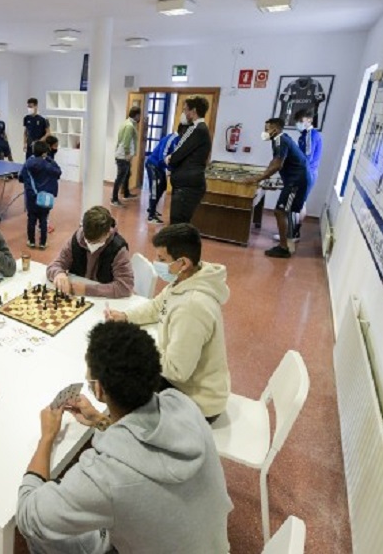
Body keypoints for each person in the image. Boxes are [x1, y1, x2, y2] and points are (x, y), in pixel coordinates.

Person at [16, 321, 233, 554]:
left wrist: (47, 438)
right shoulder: (183, 404)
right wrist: (101, 421)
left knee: (41, 535)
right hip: (215, 547)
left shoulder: (104, 476)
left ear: (98, 389)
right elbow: (148, 445)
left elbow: (28, 516)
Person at [104, 223, 230, 421]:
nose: (157, 263)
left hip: (197, 401)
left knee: (121, 379)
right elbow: (156, 307)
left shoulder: (192, 306)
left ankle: (122, 437)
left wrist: (139, 348)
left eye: (162, 259)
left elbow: (177, 370)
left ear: (183, 263)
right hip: (182, 381)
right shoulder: (186, 278)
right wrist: (126, 317)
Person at [246, 117, 309, 258]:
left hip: (296, 181)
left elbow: (277, 165)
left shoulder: (281, 140)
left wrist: (258, 178)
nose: (264, 132)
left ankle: (284, 247)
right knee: (282, 211)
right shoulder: (279, 139)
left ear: (274, 129)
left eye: (266, 129)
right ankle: (285, 243)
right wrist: (264, 176)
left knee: (280, 211)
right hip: (294, 179)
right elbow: (274, 161)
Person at [46, 205, 134, 298]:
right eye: (87, 240)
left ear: (108, 233)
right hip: (76, 298)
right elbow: (55, 265)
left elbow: (125, 287)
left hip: (104, 301)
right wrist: (59, 274)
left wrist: (88, 290)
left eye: (96, 242)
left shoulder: (118, 249)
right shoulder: (77, 238)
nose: (90, 245)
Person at [166, 96, 211, 224]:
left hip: (187, 187)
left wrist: (170, 159)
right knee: (179, 223)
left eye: (185, 110)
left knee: (178, 224)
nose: (184, 113)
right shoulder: (196, 129)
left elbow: (177, 155)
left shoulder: (197, 129)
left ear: (194, 111)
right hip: (185, 184)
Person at [20, 141, 62, 249]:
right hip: (46, 197)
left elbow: (20, 177)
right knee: (43, 219)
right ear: (44, 153)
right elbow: (58, 173)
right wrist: (49, 160)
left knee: (31, 219)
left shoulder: (28, 164)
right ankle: (43, 243)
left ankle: (31, 241)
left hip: (31, 196)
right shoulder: (49, 164)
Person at [292, 108, 324, 239]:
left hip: (306, 173)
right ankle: (293, 231)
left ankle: (294, 233)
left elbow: (306, 158)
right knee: (300, 202)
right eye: (297, 121)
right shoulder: (304, 135)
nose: (298, 124)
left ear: (309, 120)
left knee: (299, 203)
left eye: (301, 121)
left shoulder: (311, 136)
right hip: (305, 172)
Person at [145, 130, 178, 224]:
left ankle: (152, 207)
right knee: (154, 189)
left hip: (160, 167)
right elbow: (162, 156)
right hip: (153, 164)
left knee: (163, 186)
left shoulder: (178, 140)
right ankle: (151, 216)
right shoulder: (171, 138)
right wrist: (169, 168)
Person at [110, 106, 141, 207]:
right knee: (120, 178)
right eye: (139, 115)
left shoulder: (126, 123)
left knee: (127, 175)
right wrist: (128, 154)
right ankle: (114, 199)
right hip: (123, 155)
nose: (139, 117)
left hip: (122, 154)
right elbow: (126, 141)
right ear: (136, 115)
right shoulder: (129, 126)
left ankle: (126, 194)